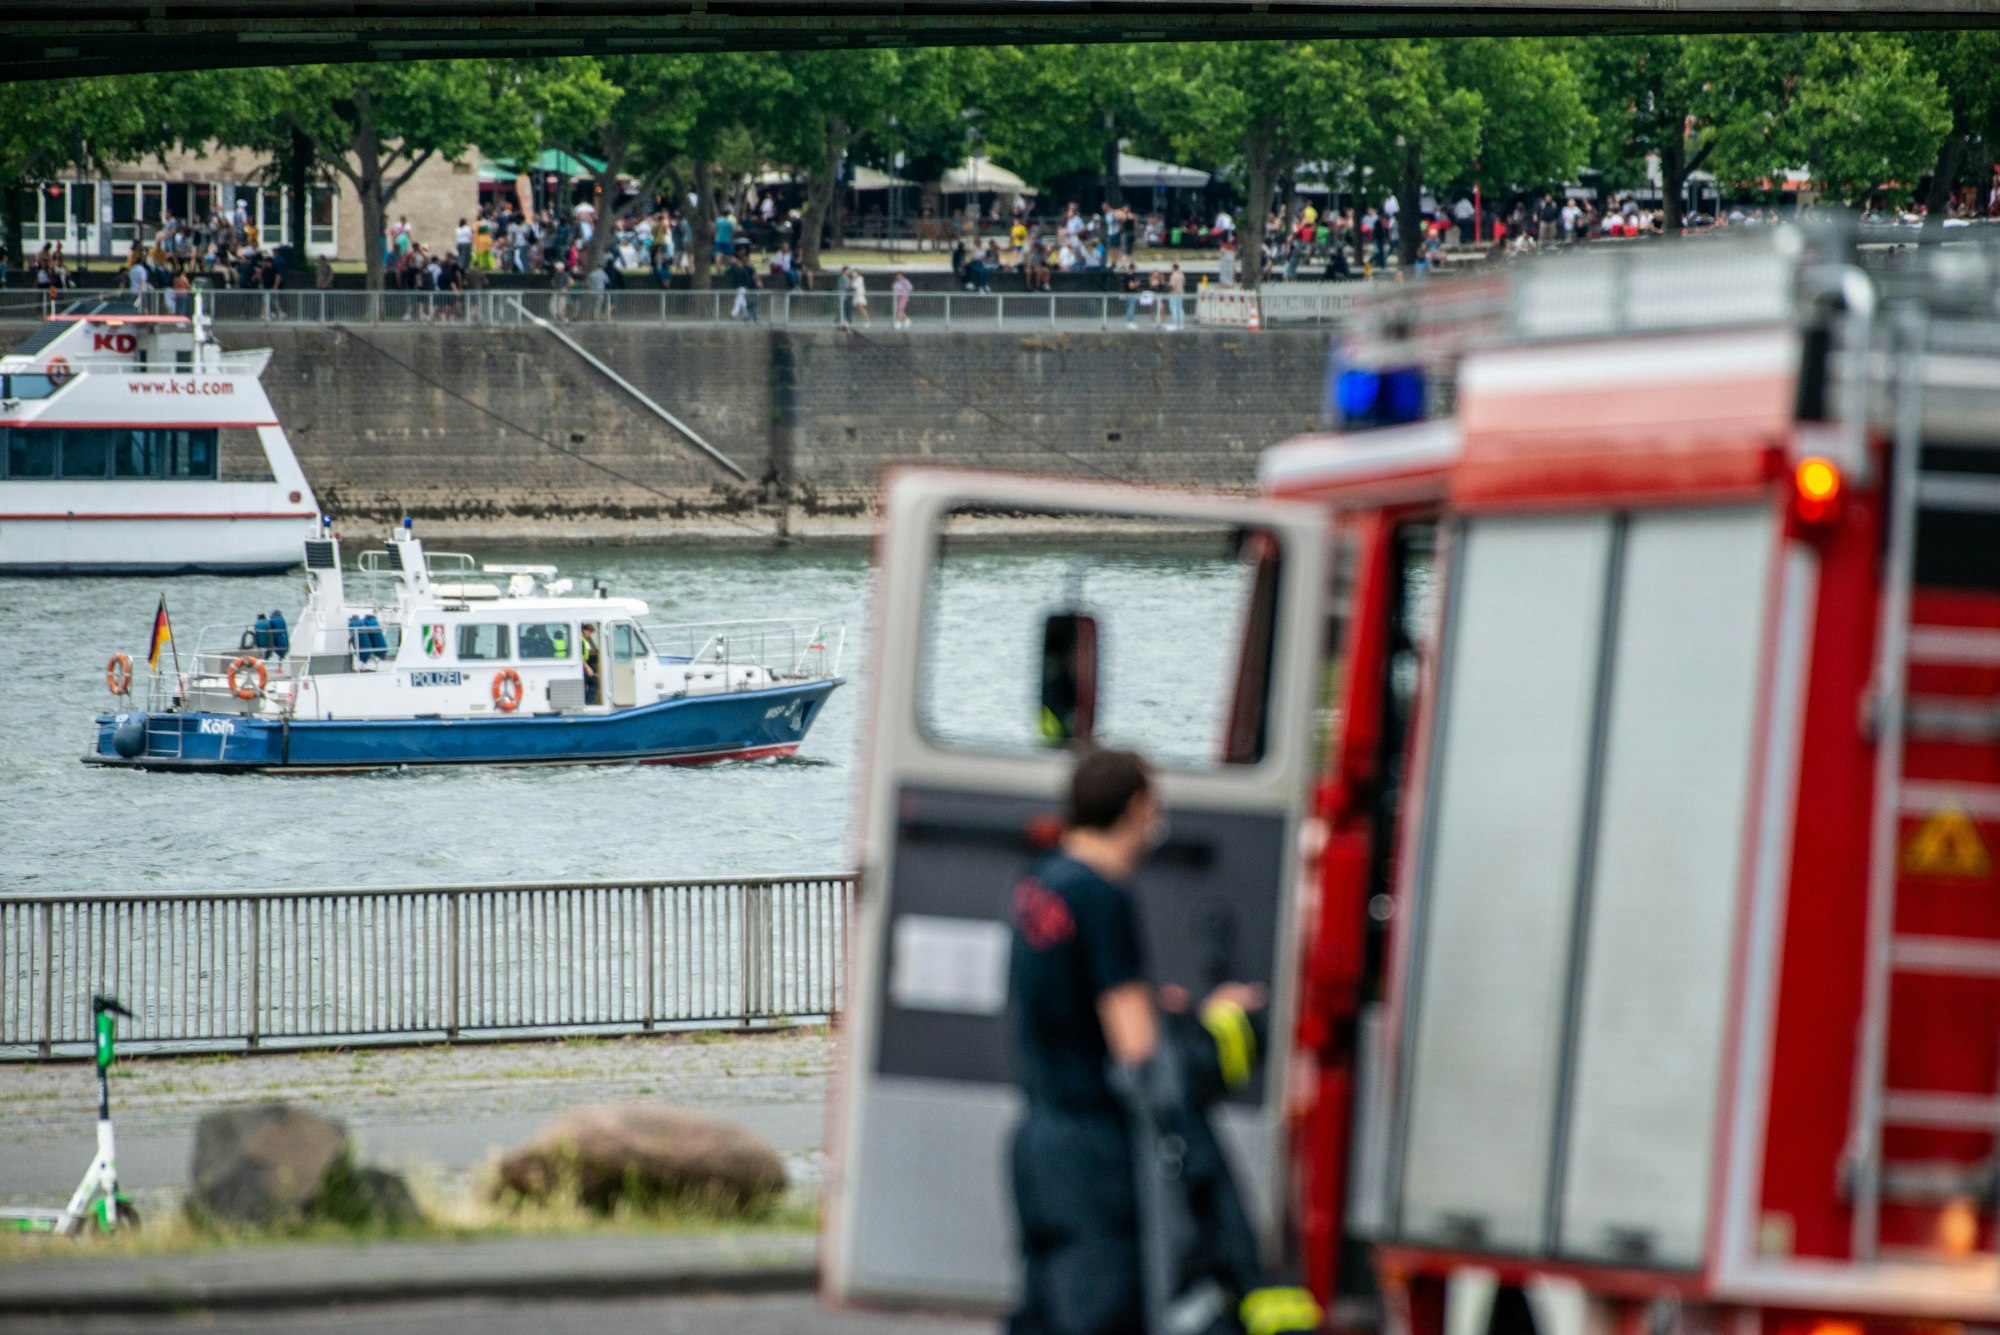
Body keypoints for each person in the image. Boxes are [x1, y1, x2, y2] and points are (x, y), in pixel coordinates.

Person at [1007, 749, 1319, 1335]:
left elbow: (1066, 1006)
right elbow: (1136, 1049)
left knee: (1045, 1309)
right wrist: (1215, 1019)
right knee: (1103, 1312)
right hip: (1095, 1154)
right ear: (1137, 807)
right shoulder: (1104, 895)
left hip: (1038, 1140)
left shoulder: (1042, 883)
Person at [580, 625, 601, 705]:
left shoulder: (583, 640)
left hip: (583, 666)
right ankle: (589, 702)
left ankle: (588, 701)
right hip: (582, 667)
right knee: (595, 682)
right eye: (589, 632)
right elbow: (580, 656)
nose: (590, 635)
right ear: (585, 630)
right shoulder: (581, 640)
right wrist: (588, 668)